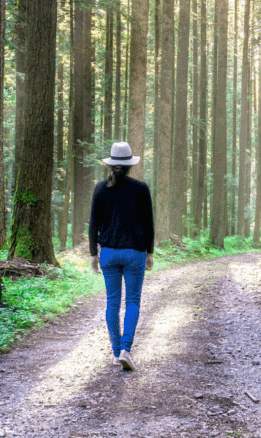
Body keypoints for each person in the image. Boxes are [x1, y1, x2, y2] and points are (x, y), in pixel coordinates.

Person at [89, 141, 155, 371]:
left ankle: (116, 353)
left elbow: (93, 225)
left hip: (108, 253)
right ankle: (126, 349)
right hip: (135, 253)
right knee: (133, 301)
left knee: (112, 303)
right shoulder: (141, 188)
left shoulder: (100, 189)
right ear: (129, 165)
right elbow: (149, 225)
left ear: (111, 163)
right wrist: (150, 253)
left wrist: (92, 255)